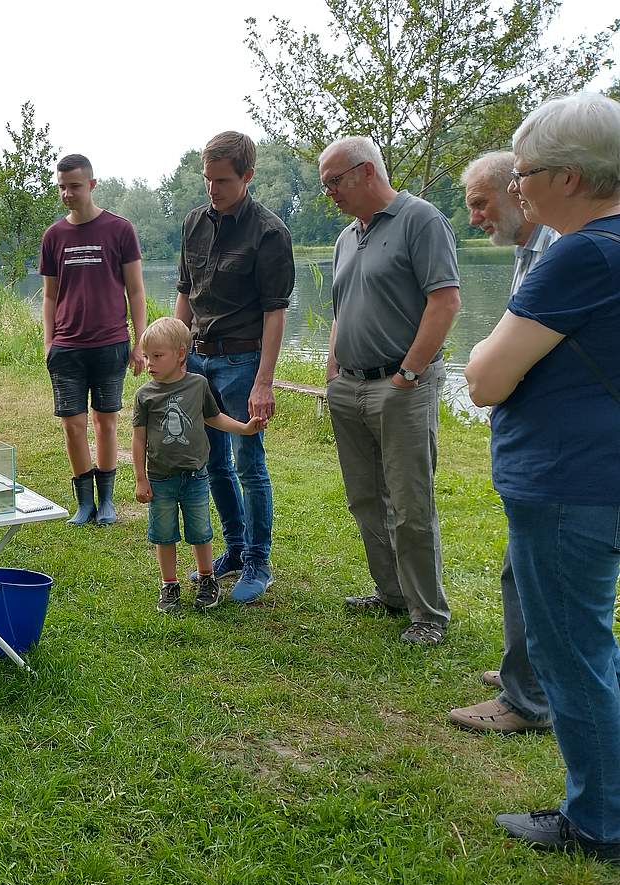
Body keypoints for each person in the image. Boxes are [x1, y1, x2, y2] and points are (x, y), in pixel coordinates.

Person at [464, 92, 620, 864]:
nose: (516, 188)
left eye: (522, 175)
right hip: (604, 476)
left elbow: (486, 379)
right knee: (595, 644)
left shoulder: (579, 253)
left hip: (568, 486)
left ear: (568, 177)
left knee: (572, 654)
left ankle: (599, 823)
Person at [320, 136, 461, 646]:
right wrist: (333, 371)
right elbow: (342, 311)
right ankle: (391, 594)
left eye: (334, 181)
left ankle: (428, 615)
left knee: (410, 504)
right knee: (365, 500)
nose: (329, 192)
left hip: (401, 387)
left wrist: (407, 374)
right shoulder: (345, 237)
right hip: (350, 387)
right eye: (325, 184)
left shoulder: (420, 220)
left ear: (365, 172)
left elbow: (444, 302)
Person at [447, 151, 558, 733]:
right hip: (534, 443)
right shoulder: (529, 250)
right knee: (522, 566)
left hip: (556, 452)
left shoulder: (560, 250)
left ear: (519, 191)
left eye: (480, 203)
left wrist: (491, 374)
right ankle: (531, 670)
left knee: (537, 570)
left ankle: (528, 700)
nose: (474, 218)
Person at [175, 131, 294, 604]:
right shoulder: (193, 223)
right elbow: (185, 291)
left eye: (222, 180)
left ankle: (259, 563)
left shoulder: (269, 233)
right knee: (212, 463)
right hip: (199, 358)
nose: (213, 189)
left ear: (248, 176)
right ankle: (237, 548)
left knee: (250, 464)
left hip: (243, 360)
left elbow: (275, 311)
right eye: (207, 179)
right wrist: (177, 352)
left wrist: (263, 381)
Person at [40, 153, 147, 526]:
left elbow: (135, 291)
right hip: (67, 347)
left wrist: (139, 342)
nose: (67, 193)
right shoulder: (54, 236)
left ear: (92, 185)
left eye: (74, 186)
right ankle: (83, 503)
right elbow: (50, 296)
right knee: (72, 424)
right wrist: (49, 342)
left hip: (110, 343)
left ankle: (106, 503)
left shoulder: (119, 230)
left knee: (106, 422)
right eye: (61, 187)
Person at [133, 317, 263, 613]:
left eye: (157, 356)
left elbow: (213, 418)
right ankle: (169, 585)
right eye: (147, 356)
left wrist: (244, 428)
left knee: (201, 531)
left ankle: (207, 579)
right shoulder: (145, 396)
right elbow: (138, 440)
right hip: (161, 479)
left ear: (181, 354)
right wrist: (141, 478)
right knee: (163, 534)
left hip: (195, 477)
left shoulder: (198, 385)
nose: (150, 363)